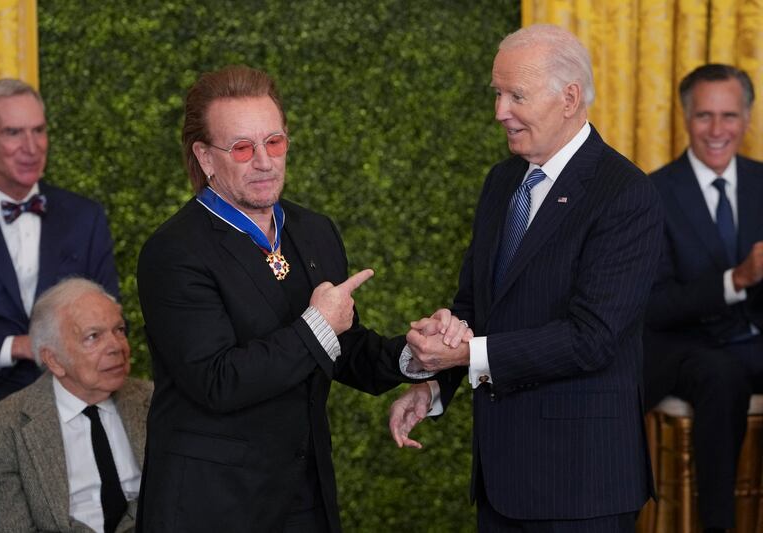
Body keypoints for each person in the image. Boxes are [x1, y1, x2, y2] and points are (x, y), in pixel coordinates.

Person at [135, 65, 435, 532]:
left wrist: (415, 355)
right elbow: (218, 381)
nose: (264, 161)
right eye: (242, 148)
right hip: (213, 507)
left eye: (274, 142)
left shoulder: (314, 230)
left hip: (306, 498)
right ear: (205, 157)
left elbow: (340, 348)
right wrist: (318, 324)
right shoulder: (174, 252)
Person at [388, 24, 662, 531]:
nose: (500, 111)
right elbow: (475, 307)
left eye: (516, 95)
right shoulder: (501, 181)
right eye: (497, 94)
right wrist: (433, 387)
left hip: (581, 484)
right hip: (502, 479)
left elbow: (592, 338)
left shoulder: (624, 193)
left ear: (569, 99)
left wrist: (465, 355)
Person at [0, 79, 119, 442]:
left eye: (38, 130)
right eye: (13, 133)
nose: (31, 148)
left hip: (77, 390)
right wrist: (14, 346)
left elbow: (110, 312)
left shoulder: (85, 217)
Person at [643, 63, 763, 533]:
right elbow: (655, 305)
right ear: (685, 117)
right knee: (721, 375)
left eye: (729, 116)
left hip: (753, 340)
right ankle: (719, 526)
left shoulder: (761, 182)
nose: (717, 130)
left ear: (747, 119)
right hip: (684, 349)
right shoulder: (652, 193)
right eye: (704, 116)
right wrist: (737, 278)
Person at [0, 277, 151, 533]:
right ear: (53, 360)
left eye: (119, 330)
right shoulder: (0, 430)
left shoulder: (154, 401)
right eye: (93, 336)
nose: (116, 346)